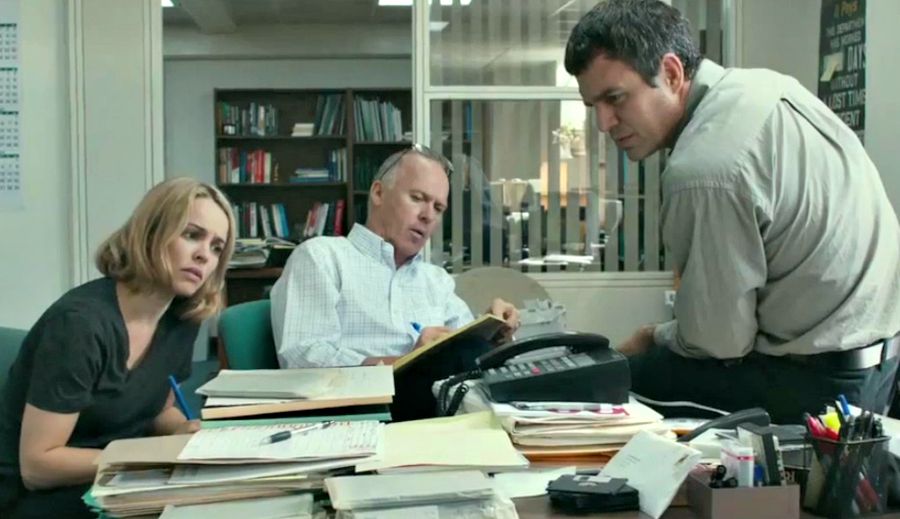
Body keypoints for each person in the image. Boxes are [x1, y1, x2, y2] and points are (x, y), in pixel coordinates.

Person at [565, 0, 900, 424]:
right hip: (882, 363)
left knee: (607, 389)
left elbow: (717, 342)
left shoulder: (703, 168)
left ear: (671, 73)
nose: (604, 123)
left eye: (615, 98)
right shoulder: (768, 87)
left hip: (816, 387)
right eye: (592, 106)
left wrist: (653, 335)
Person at [0, 178, 235, 518]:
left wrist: (181, 431)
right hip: (40, 497)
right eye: (191, 235)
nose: (204, 255)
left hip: (120, 478)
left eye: (216, 247)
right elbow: (38, 467)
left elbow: (157, 410)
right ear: (150, 233)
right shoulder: (80, 325)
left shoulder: (181, 318)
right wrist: (154, 455)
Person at [270, 144, 520, 370]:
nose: (428, 216)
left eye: (438, 208)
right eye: (417, 198)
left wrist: (494, 332)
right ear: (378, 193)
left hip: (443, 399)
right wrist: (408, 362)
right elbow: (302, 358)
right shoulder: (322, 258)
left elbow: (470, 353)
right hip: (368, 402)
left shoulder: (436, 280)